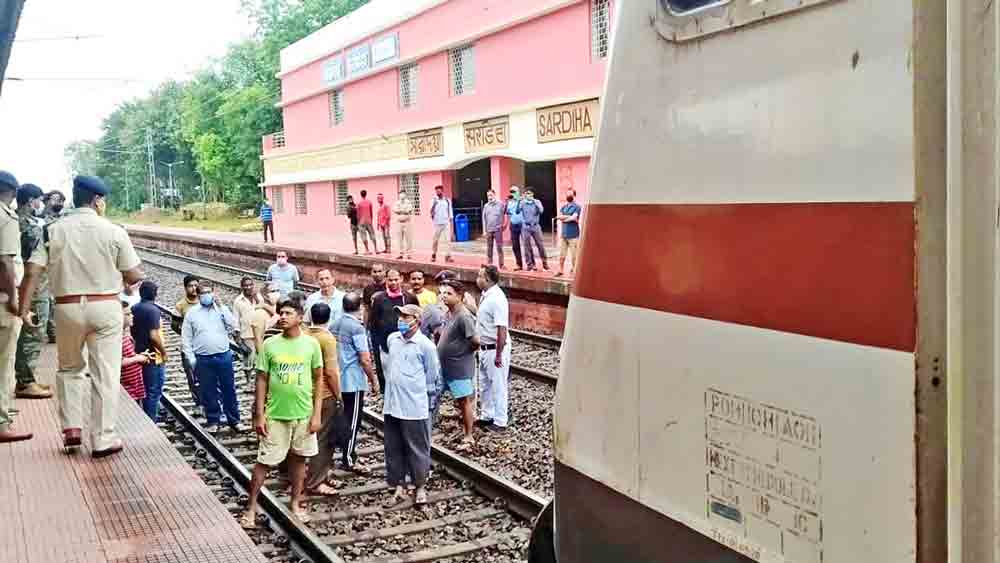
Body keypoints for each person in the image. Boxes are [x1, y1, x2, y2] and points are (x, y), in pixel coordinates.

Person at [19, 175, 145, 455]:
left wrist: (24, 308)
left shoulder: (53, 230)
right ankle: (103, 438)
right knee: (106, 373)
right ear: (98, 200)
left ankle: (72, 429)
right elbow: (134, 274)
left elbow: (32, 271)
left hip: (67, 308)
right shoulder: (113, 230)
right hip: (105, 307)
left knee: (69, 369)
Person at [242, 298, 324, 528]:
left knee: (299, 459)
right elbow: (261, 379)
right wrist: (259, 413)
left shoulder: (311, 344)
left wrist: (317, 414)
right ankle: (251, 507)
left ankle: (296, 502)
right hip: (276, 414)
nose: (282, 317)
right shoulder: (270, 345)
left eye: (288, 313)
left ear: (300, 317)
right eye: (280, 313)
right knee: (264, 461)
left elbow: (319, 379)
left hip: (303, 414)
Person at [383, 303, 441, 506]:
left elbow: (432, 375)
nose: (401, 321)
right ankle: (398, 485)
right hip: (392, 404)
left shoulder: (425, 346)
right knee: (393, 446)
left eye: (406, 317)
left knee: (417, 448)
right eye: (400, 316)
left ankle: (420, 486)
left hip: (415, 406)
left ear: (417, 321)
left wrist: (428, 401)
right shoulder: (393, 340)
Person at [182, 282, 243, 434]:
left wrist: (221, 306)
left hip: (223, 356)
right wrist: (192, 359)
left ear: (214, 293)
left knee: (229, 389)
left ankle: (234, 420)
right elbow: (186, 338)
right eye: (203, 293)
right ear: (198, 294)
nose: (206, 295)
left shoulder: (221, 310)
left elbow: (233, 325)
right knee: (208, 391)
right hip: (203, 359)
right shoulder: (192, 313)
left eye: (209, 292)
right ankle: (213, 420)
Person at [0, 171, 33, 443]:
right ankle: (1, 422)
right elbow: (6, 262)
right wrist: (13, 298)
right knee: (4, 362)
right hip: (1, 301)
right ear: (12, 191)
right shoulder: (6, 217)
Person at [13, 183, 53, 399]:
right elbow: (33, 263)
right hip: (34, 289)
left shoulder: (14, 220)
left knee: (23, 335)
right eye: (38, 200)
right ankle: (26, 381)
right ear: (30, 201)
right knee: (33, 333)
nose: (40, 204)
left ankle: (26, 378)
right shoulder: (28, 227)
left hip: (23, 286)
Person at [333, 292, 379, 474]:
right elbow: (365, 358)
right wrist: (373, 379)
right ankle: (349, 458)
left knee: (341, 418)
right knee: (353, 420)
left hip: (337, 379)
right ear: (359, 308)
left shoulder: (334, 324)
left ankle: (339, 452)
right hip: (353, 380)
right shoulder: (356, 328)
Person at [304, 303, 343, 496]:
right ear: (329, 318)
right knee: (323, 439)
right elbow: (331, 372)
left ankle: (318, 475)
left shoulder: (304, 334)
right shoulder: (327, 339)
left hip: (305, 392)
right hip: (324, 394)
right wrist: (339, 395)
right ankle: (315, 482)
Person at [436, 281, 478, 448]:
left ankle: (469, 435)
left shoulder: (463, 316)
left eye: (449, 294)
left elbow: (475, 341)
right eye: (443, 293)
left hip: (459, 367)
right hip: (445, 366)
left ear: (460, 296)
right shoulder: (449, 313)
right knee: (436, 395)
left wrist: (462, 352)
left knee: (463, 400)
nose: (444, 296)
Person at [369, 269, 419, 391]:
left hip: (406, 344)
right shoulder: (379, 299)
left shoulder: (409, 297)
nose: (393, 283)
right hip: (385, 345)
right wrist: (377, 345)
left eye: (396, 279)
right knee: (387, 374)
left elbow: (417, 319)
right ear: (386, 280)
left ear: (401, 279)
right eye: (390, 280)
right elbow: (374, 324)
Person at [475, 265, 511, 432]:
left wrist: (498, 354)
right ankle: (487, 415)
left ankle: (500, 420)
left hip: (494, 348)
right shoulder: (486, 296)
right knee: (484, 383)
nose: (477, 279)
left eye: (480, 276)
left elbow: (501, 329)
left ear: (487, 279)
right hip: (484, 348)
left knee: (497, 384)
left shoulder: (497, 299)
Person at [132, 281, 167, 421]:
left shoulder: (134, 308)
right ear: (154, 294)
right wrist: (163, 352)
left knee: (144, 390)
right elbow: (154, 335)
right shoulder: (153, 310)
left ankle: (146, 417)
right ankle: (151, 420)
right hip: (153, 356)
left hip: (139, 353)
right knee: (153, 391)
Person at [233, 277, 270, 378]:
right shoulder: (238, 301)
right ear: (242, 287)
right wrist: (237, 335)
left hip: (260, 332)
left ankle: (259, 380)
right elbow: (236, 319)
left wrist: (257, 298)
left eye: (250, 285)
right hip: (247, 333)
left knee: (261, 357)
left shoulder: (258, 297)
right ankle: (248, 380)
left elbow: (264, 309)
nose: (248, 287)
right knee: (249, 357)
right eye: (246, 285)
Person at [174, 274, 202, 409]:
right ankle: (198, 403)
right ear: (185, 288)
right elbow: (174, 325)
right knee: (192, 377)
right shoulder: (180, 306)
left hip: (204, 347)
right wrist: (188, 335)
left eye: (196, 285)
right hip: (189, 348)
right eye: (190, 286)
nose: (194, 288)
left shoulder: (204, 302)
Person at [42, 191, 64, 344]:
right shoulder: (40, 219)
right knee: (49, 299)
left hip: (61, 264)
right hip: (45, 265)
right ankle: (53, 332)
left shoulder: (63, 219)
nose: (59, 203)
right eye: (55, 199)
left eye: (61, 200)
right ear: (46, 201)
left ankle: (57, 330)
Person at [120, 301, 148, 404]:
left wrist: (139, 356)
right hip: (126, 390)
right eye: (127, 314)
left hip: (134, 387)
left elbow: (127, 356)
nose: (132, 316)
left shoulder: (125, 335)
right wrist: (138, 358)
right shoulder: (115, 338)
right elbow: (116, 362)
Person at [520, 188, 549, 271]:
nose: (528, 195)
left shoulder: (537, 202)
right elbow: (517, 211)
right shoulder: (523, 203)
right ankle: (530, 264)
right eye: (526, 194)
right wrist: (520, 202)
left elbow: (541, 210)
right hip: (526, 227)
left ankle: (545, 263)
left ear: (532, 194)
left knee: (540, 245)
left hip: (536, 226)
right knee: (527, 246)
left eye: (529, 193)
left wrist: (536, 203)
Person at [556, 190, 582, 277]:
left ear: (574, 195)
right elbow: (559, 216)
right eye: (567, 194)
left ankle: (574, 270)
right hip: (564, 234)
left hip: (573, 235)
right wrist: (569, 217)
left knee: (574, 255)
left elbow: (574, 218)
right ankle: (560, 270)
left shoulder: (577, 207)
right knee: (562, 254)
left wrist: (565, 218)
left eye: (570, 194)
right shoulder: (564, 207)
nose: (568, 195)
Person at [481, 189, 506, 269]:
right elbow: (484, 218)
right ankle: (489, 263)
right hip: (489, 230)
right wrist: (484, 231)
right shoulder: (486, 206)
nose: (489, 197)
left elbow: (504, 214)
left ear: (494, 195)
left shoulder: (500, 204)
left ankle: (501, 264)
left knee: (499, 247)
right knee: (489, 248)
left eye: (491, 195)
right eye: (488, 195)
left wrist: (503, 225)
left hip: (497, 229)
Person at [429, 185, 454, 263]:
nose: (438, 192)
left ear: (442, 191)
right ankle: (433, 254)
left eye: (439, 191)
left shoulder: (447, 200)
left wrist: (451, 223)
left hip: (446, 223)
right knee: (435, 240)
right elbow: (431, 212)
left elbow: (450, 212)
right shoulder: (433, 200)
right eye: (437, 191)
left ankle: (448, 255)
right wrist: (434, 204)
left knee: (448, 240)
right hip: (437, 223)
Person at [505, 186, 525, 271]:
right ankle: (519, 264)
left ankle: (531, 264)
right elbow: (508, 214)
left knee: (526, 245)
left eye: (514, 191)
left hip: (523, 225)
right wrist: (506, 224)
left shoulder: (522, 201)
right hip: (513, 225)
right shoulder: (509, 202)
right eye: (511, 191)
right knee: (515, 245)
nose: (513, 193)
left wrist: (520, 199)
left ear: (518, 192)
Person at [393, 192, 414, 260]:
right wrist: (403, 211)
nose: (402, 197)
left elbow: (409, 211)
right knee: (399, 239)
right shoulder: (397, 203)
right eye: (400, 195)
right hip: (399, 222)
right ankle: (400, 253)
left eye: (403, 195)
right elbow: (395, 210)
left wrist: (401, 211)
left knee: (408, 239)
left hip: (407, 222)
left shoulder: (408, 203)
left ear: (405, 195)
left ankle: (409, 254)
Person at [356, 190, 376, 254]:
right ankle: (376, 249)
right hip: (369, 221)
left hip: (361, 222)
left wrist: (358, 222)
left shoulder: (358, 203)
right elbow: (371, 212)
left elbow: (358, 214)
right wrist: (371, 220)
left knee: (363, 236)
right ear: (366, 194)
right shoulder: (369, 202)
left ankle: (367, 250)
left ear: (360, 195)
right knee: (372, 235)